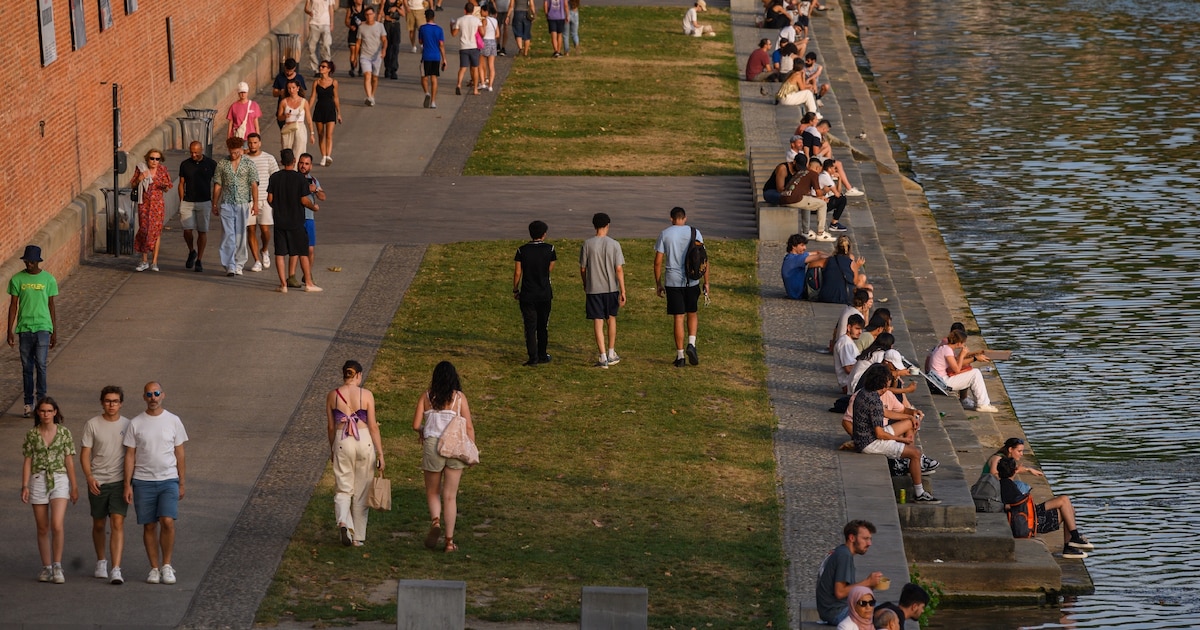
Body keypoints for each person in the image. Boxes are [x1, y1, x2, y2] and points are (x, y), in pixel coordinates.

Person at [123, 381, 188, 585]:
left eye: (156, 393)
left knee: (167, 521)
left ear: (163, 395)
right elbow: (130, 455)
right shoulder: (135, 423)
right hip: (143, 481)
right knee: (149, 525)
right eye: (149, 394)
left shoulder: (173, 420)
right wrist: (127, 484)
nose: (153, 398)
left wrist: (182, 482)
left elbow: (180, 452)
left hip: (168, 479)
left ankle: (167, 565)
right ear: (144, 397)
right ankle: (154, 568)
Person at [412, 361, 476, 553]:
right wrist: (471, 450)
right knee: (450, 496)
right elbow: (469, 427)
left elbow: (416, 425)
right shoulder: (459, 398)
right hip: (455, 446)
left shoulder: (426, 397)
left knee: (433, 491)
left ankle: (435, 521)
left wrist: (424, 430)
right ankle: (449, 542)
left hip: (432, 445)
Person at [852, 367, 940, 503]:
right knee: (916, 453)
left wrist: (909, 416)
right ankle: (919, 493)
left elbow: (885, 413)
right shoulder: (874, 401)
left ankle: (909, 461)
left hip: (865, 436)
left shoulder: (865, 393)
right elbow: (880, 433)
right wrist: (900, 439)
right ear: (883, 383)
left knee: (908, 424)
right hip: (870, 442)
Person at [20, 397, 78, 584]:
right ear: (38, 413)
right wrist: (25, 485)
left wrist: (74, 486)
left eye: (49, 411)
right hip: (38, 479)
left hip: (60, 478)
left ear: (55, 412)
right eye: (42, 411)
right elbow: (28, 460)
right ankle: (46, 567)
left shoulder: (64, 433)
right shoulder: (32, 434)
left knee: (57, 524)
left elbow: (69, 460)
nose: (46, 414)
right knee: (43, 527)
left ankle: (57, 565)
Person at [326, 360, 384, 546]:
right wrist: (380, 453)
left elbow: (330, 426)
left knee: (343, 488)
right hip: (364, 440)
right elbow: (373, 426)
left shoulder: (332, 396)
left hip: (342, 440)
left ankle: (343, 521)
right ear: (358, 375)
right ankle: (358, 536)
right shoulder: (366, 395)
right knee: (362, 490)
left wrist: (332, 448)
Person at [81, 385, 131, 585]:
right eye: (108, 401)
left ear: (121, 403)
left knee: (117, 522)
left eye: (116, 401)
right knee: (99, 523)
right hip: (98, 481)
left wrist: (129, 482)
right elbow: (85, 453)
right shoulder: (92, 424)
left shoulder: (128, 425)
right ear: (102, 402)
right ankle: (101, 560)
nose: (112, 405)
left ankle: (116, 568)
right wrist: (89, 477)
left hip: (119, 481)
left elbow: (132, 454)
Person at [997, 456, 1094, 559]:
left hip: (1027, 514)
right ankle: (1072, 540)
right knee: (1066, 505)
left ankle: (1071, 545)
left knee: (1067, 506)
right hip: (1030, 522)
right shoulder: (1011, 487)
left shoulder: (1002, 484)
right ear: (1015, 470)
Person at [7, 245, 58, 418]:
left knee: (41, 365)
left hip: (43, 327)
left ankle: (42, 402)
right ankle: (28, 403)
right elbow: (13, 305)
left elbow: (51, 305)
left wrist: (54, 331)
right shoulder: (17, 279)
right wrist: (10, 330)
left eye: (31, 261)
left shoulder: (48, 279)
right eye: (26, 261)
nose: (28, 264)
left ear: (38, 261)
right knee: (27, 368)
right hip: (24, 328)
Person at [654, 207, 708, 368]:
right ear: (685, 218)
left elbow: (658, 262)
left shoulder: (665, 234)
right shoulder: (695, 232)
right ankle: (691, 343)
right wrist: (706, 282)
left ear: (671, 218)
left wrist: (658, 283)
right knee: (692, 312)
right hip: (691, 280)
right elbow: (704, 258)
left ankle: (680, 356)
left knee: (678, 317)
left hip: (673, 281)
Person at [267, 148, 322, 293]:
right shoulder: (299, 179)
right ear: (294, 161)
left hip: (279, 220)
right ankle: (309, 283)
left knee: (280, 253)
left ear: (281, 162)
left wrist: (278, 206)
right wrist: (313, 207)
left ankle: (283, 285)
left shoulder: (275, 177)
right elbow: (304, 200)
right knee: (302, 251)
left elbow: (270, 199)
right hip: (296, 220)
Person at [580, 212, 626, 368]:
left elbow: (583, 268)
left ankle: (602, 356)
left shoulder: (587, 244)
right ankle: (611, 352)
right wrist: (623, 290)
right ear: (608, 225)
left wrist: (585, 283)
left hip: (594, 289)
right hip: (611, 288)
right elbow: (618, 269)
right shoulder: (614, 244)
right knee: (611, 319)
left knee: (598, 322)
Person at [816, 520, 884, 625]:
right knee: (887, 615)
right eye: (865, 539)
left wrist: (871, 586)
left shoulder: (842, 552)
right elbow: (840, 592)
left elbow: (850, 591)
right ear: (852, 538)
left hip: (833, 610)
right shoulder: (844, 556)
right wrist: (867, 582)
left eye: (870, 539)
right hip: (836, 612)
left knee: (885, 609)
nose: (869, 543)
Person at [211, 136, 260, 277]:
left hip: (242, 203)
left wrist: (255, 204)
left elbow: (254, 184)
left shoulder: (249, 164)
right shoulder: (222, 164)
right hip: (226, 203)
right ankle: (229, 264)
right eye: (232, 152)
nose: (234, 155)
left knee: (240, 234)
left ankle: (239, 263)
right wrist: (214, 202)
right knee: (228, 234)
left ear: (241, 150)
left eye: (236, 152)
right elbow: (218, 184)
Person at [514, 220, 556, 366]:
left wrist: (515, 288)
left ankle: (533, 357)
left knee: (530, 326)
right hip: (544, 293)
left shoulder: (522, 250)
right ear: (544, 234)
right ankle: (543, 354)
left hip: (528, 293)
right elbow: (550, 267)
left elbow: (518, 272)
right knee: (542, 325)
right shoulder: (550, 249)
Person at [927, 329, 999, 413]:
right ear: (959, 343)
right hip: (943, 381)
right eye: (963, 343)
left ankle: (975, 402)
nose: (964, 345)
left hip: (938, 378)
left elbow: (955, 361)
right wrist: (963, 355)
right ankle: (982, 404)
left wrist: (975, 355)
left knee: (969, 371)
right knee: (975, 373)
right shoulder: (947, 350)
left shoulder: (944, 347)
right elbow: (957, 369)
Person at [130, 148, 173, 272]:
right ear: (147, 158)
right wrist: (140, 178)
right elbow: (132, 184)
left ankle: (154, 261)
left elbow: (168, 186)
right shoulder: (141, 169)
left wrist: (163, 186)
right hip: (144, 203)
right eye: (152, 158)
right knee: (144, 229)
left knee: (156, 231)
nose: (154, 161)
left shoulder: (163, 170)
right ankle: (144, 260)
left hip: (157, 205)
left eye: (157, 159)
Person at [177, 141, 217, 273]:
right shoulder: (185, 164)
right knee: (187, 230)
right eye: (191, 152)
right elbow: (181, 183)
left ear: (202, 150)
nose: (193, 155)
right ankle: (191, 251)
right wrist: (181, 200)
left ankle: (199, 259)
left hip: (204, 201)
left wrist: (215, 201)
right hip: (188, 201)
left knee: (202, 231)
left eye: (196, 152)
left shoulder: (211, 164)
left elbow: (217, 182)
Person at [244, 133, 279, 272]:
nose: (252, 145)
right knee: (250, 229)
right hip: (248, 200)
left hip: (264, 199)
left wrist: (274, 196)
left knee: (265, 230)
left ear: (260, 143)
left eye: (255, 142)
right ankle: (257, 260)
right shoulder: (244, 159)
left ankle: (264, 249)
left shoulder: (269, 158)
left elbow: (275, 178)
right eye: (250, 143)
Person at [781, 157, 835, 242]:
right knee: (822, 204)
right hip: (794, 199)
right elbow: (818, 192)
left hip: (784, 197)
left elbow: (807, 194)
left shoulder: (800, 172)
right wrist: (823, 193)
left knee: (807, 203)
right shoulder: (813, 174)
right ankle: (821, 233)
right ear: (817, 168)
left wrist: (818, 197)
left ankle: (806, 232)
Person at [296, 153, 325, 286]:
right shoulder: (293, 178)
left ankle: (307, 274)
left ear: (311, 166)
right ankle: (292, 275)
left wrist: (316, 190)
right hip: (296, 217)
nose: (303, 166)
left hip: (309, 218)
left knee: (310, 249)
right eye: (301, 163)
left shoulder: (313, 180)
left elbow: (323, 197)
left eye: (306, 164)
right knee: (296, 250)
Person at [818, 236, 872, 304]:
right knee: (866, 284)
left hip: (825, 296)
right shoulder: (852, 263)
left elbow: (812, 265)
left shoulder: (828, 260)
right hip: (844, 297)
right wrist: (857, 266)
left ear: (837, 247)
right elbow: (855, 282)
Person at [309, 60, 342, 166]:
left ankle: (328, 155)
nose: (321, 68)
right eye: (320, 66)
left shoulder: (334, 82)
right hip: (319, 109)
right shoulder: (316, 82)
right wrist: (307, 109)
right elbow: (313, 97)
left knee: (329, 134)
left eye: (323, 67)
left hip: (330, 109)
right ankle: (323, 156)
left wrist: (339, 113)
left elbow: (336, 98)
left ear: (329, 69)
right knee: (320, 134)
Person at [780, 233, 827, 300]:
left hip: (795, 292)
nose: (805, 248)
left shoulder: (791, 257)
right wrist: (835, 258)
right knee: (816, 264)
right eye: (802, 245)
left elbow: (817, 252)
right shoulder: (796, 259)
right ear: (794, 246)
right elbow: (819, 256)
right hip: (799, 294)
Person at [357, 7, 387, 106]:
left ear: (374, 15)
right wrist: (354, 55)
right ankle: (369, 97)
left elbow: (384, 40)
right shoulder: (361, 27)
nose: (369, 16)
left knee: (374, 78)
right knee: (367, 75)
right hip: (365, 55)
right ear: (365, 16)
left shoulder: (380, 26)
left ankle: (372, 95)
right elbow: (358, 43)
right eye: (367, 15)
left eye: (370, 14)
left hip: (377, 56)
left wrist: (384, 50)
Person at [419, 9, 448, 109]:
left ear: (425, 17)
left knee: (424, 77)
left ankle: (427, 92)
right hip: (436, 56)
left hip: (426, 56)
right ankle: (433, 102)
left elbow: (420, 41)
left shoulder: (422, 28)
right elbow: (441, 45)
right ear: (434, 17)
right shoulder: (439, 29)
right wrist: (444, 59)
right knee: (434, 78)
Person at [277, 80, 313, 158]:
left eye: (293, 88)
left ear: (298, 88)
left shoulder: (304, 102)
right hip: (288, 128)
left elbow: (309, 119)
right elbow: (279, 117)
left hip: (299, 127)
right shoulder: (283, 102)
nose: (291, 90)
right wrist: (285, 116)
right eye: (289, 88)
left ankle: (297, 169)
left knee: (299, 151)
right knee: (287, 152)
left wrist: (312, 133)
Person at [452, 3, 482, 95]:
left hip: (464, 47)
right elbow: (482, 32)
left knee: (463, 68)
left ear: (465, 10)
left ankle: (459, 84)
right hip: (474, 46)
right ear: (473, 10)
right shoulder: (476, 20)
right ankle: (475, 89)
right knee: (475, 68)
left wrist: (451, 26)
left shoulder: (460, 20)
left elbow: (454, 34)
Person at [271, 59, 308, 131]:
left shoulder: (299, 78)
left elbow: (303, 93)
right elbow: (274, 93)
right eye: (287, 70)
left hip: (296, 110)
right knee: (284, 132)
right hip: (283, 108)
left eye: (290, 71)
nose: (288, 72)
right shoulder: (280, 77)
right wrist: (280, 92)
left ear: (294, 68)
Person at [834, 314, 864, 393]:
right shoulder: (845, 343)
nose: (860, 332)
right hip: (848, 384)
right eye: (857, 329)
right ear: (849, 327)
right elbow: (848, 368)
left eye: (861, 329)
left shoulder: (849, 341)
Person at [305, 0, 336, 75]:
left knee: (325, 45)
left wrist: (331, 23)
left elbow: (331, 9)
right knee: (311, 47)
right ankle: (316, 69)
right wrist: (309, 12)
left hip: (326, 23)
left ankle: (326, 68)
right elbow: (306, 8)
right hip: (314, 23)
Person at [382, 0, 404, 80]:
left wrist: (396, 9)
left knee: (395, 47)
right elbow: (380, 11)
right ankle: (387, 68)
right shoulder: (385, 1)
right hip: (387, 24)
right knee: (387, 47)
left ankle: (393, 69)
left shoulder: (399, 2)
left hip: (396, 25)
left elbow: (403, 14)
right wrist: (385, 17)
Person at [345, 0, 367, 77]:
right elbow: (347, 20)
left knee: (361, 51)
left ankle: (361, 69)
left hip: (362, 33)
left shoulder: (365, 8)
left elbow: (369, 20)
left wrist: (363, 23)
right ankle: (352, 68)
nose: (361, 1)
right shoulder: (350, 9)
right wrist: (350, 26)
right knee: (353, 50)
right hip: (353, 32)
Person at [479, 5, 499, 90]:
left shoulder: (484, 20)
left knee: (481, 63)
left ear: (486, 11)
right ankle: (490, 85)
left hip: (485, 41)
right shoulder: (495, 21)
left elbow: (483, 32)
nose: (480, 12)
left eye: (481, 11)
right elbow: (498, 34)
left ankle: (483, 82)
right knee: (491, 65)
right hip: (493, 42)